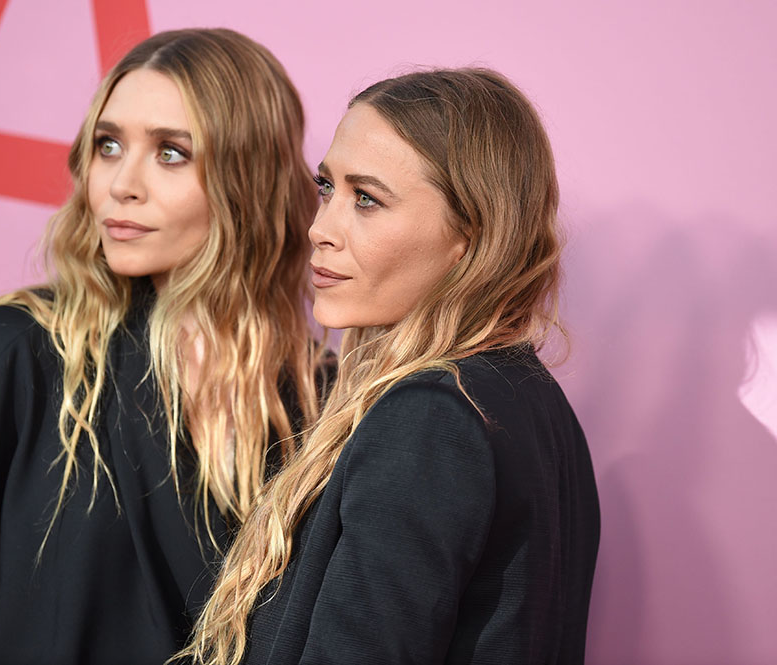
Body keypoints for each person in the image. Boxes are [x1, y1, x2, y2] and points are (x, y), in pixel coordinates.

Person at [0, 28, 324, 665]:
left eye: (171, 153)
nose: (121, 184)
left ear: (252, 176)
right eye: (109, 145)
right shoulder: (20, 353)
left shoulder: (315, 399)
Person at [180, 68, 601, 665]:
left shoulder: (430, 417)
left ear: (470, 235)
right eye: (327, 189)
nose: (320, 229)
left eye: (368, 200)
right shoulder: (532, 402)